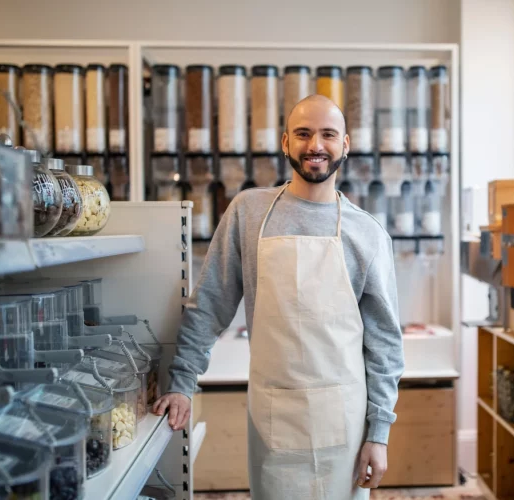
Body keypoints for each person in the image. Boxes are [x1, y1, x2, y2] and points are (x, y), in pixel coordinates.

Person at [153, 94, 405, 499]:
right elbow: (210, 304)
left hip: (346, 424)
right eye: (303, 134)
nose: (315, 146)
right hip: (274, 419)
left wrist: (379, 433)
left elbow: (385, 343)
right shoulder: (248, 212)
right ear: (286, 142)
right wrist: (183, 382)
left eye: (327, 134)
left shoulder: (368, 234)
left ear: (345, 144)